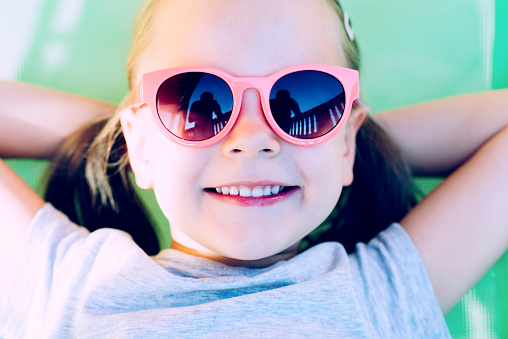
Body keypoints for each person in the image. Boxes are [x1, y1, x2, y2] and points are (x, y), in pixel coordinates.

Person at [1, 0, 507, 337]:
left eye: (307, 100)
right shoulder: (66, 282)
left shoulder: (384, 292)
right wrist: (127, 136)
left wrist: (343, 140)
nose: (252, 139)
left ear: (348, 144)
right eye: (193, 100)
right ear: (140, 145)